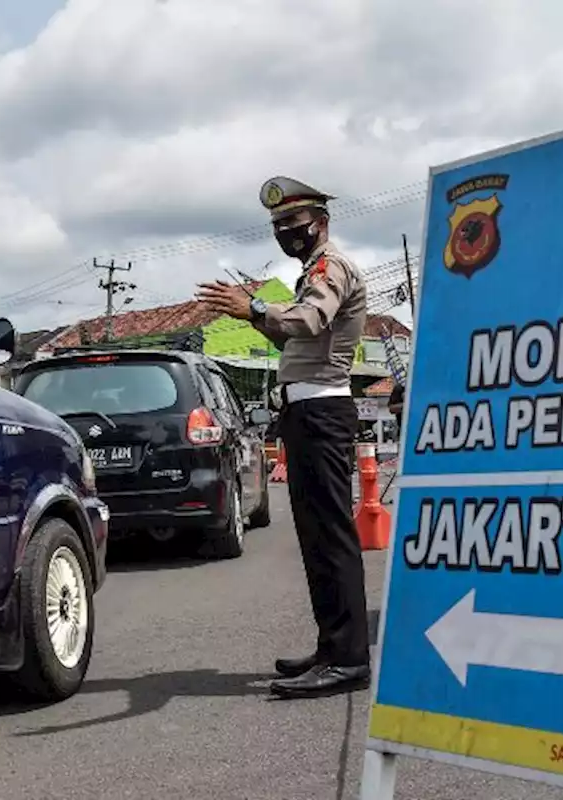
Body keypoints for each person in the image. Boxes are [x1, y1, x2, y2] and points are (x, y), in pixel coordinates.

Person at [195, 175, 371, 699]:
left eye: (294, 224)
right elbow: (286, 329)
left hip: (322, 410)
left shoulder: (331, 267)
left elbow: (312, 321)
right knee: (315, 538)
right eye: (278, 227)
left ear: (321, 223)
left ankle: (348, 659)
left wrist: (251, 307)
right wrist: (252, 313)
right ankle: (331, 647)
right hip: (304, 413)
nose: (286, 234)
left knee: (332, 537)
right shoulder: (308, 273)